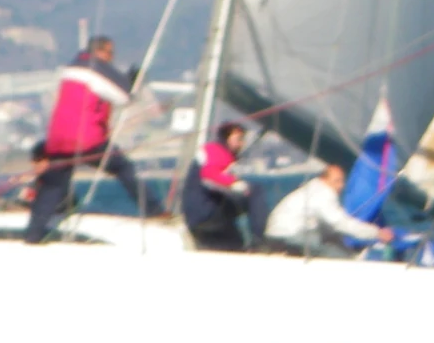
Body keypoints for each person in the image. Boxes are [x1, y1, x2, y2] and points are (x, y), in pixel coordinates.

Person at [24, 36, 160, 242]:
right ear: (100, 52)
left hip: (57, 140)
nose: (111, 58)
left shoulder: (71, 69)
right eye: (110, 53)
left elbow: (102, 92)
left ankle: (33, 234)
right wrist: (134, 81)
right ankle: (154, 210)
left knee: (53, 186)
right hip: (86, 140)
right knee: (123, 168)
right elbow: (124, 96)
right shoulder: (95, 67)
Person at [263, 162, 395, 257]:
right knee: (338, 256)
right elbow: (341, 223)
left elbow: (330, 228)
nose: (341, 186)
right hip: (290, 237)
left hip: (276, 236)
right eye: (337, 181)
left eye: (342, 181)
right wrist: (377, 233)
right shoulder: (323, 193)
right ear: (323, 179)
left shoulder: (311, 189)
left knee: (333, 243)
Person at [182, 121, 268, 252]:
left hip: (201, 216)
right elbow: (209, 175)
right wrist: (236, 184)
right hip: (207, 215)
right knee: (255, 191)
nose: (242, 144)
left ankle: (252, 243)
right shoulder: (215, 150)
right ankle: (260, 241)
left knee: (236, 246)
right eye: (238, 139)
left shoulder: (215, 153)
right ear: (226, 138)